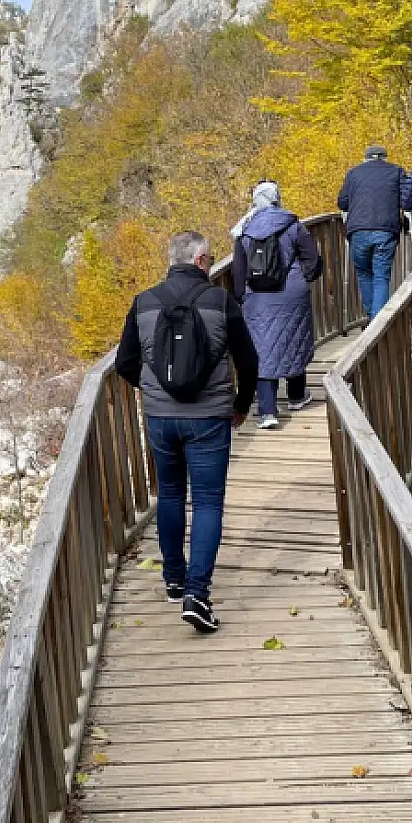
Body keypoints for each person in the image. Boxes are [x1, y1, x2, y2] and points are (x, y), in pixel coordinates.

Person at [114, 231, 258, 634]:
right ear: (199, 261)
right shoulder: (220, 301)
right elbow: (249, 362)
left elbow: (125, 362)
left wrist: (153, 391)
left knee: (171, 495)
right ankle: (198, 593)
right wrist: (241, 405)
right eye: (210, 260)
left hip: (161, 419)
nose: (212, 265)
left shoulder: (143, 302)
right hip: (210, 418)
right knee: (209, 503)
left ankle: (174, 579)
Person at [230, 182, 324, 431]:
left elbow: (238, 271)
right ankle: (296, 395)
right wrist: (302, 278)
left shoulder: (245, 230)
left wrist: (242, 296)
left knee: (261, 350)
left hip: (257, 298)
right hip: (292, 294)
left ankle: (267, 411)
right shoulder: (293, 224)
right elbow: (312, 259)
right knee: (294, 340)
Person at [337, 145, 407, 321]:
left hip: (358, 230)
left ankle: (371, 317)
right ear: (384, 157)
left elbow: (342, 202)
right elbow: (406, 200)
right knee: (381, 276)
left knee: (363, 272)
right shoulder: (396, 171)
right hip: (385, 230)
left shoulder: (353, 173)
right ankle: (379, 323)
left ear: (365, 157)